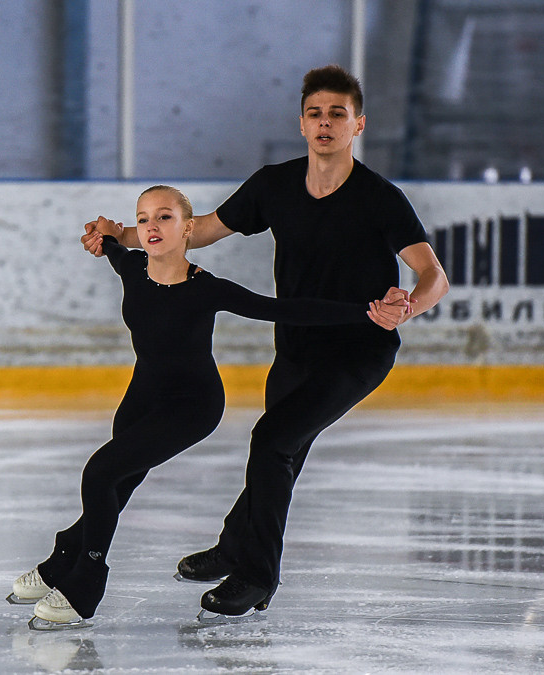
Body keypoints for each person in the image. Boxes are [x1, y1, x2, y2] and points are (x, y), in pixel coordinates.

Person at [80, 65, 449, 618]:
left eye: (337, 114)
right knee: (282, 452)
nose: (325, 123)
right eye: (315, 113)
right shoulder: (274, 185)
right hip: (295, 346)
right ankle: (235, 545)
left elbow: (434, 275)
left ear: (358, 125)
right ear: (302, 124)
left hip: (358, 351)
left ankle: (256, 576)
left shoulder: (379, 197)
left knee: (274, 440)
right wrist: (120, 237)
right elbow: (195, 230)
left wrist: (407, 307)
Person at [11, 184, 406, 630]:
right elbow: (107, 243)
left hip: (191, 406)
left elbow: (285, 309)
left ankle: (85, 584)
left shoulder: (206, 289)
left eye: (164, 217)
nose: (152, 226)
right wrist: (104, 233)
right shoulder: (131, 267)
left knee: (100, 472)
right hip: (141, 398)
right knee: (116, 486)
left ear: (188, 229)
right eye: (143, 219)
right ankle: (63, 556)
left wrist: (367, 312)